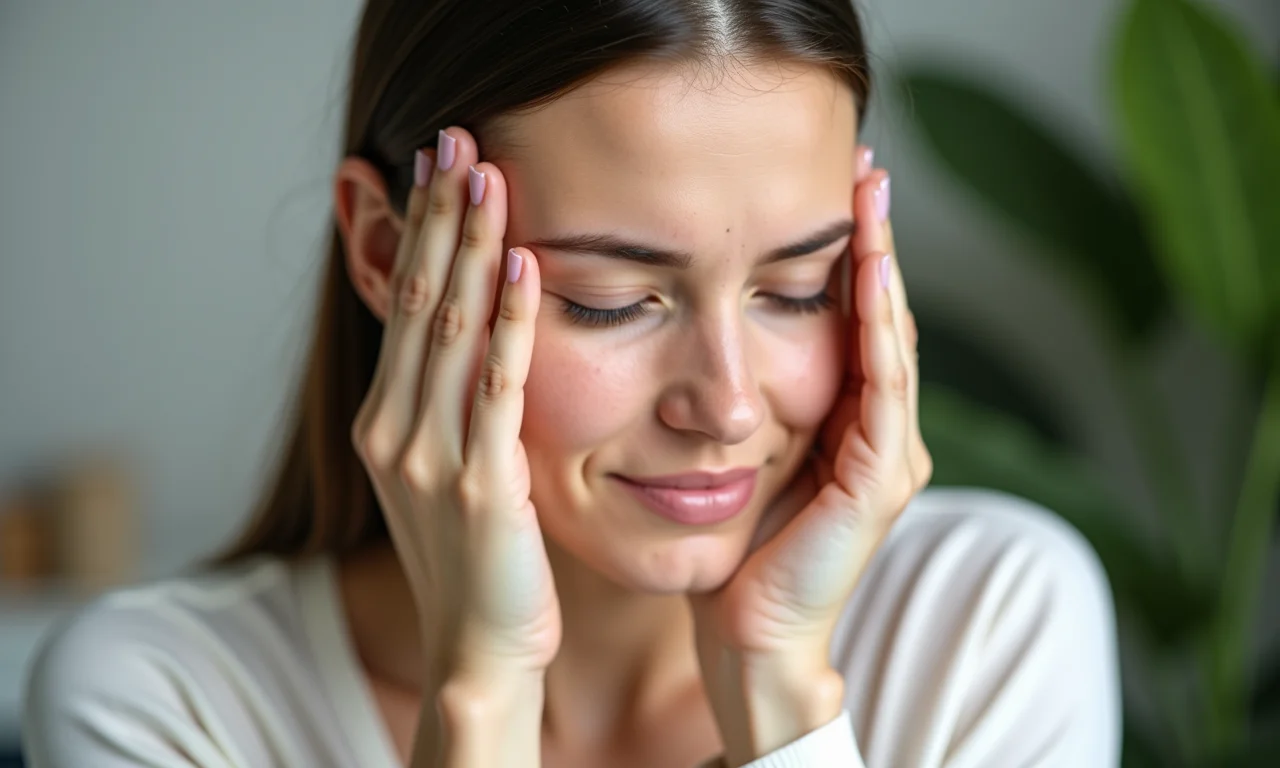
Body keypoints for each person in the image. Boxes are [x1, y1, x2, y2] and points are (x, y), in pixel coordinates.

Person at [22, 1, 1121, 766]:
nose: (729, 405)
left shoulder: (983, 624)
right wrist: (483, 694)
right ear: (383, 252)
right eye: (609, 298)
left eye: (795, 287)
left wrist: (780, 699)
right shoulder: (164, 705)